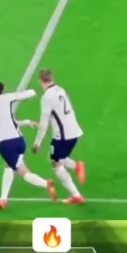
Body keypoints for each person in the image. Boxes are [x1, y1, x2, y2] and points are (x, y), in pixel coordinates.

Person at [0, 81, 56, 209]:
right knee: (8, 165)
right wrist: (27, 121)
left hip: (5, 145)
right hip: (18, 140)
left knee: (23, 172)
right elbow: (29, 94)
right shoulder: (7, 97)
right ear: (2, 91)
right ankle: (3, 199)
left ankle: (47, 184)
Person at [32, 69, 86, 203]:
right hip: (74, 132)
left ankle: (76, 195)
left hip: (62, 136)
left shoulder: (46, 98)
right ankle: (76, 166)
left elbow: (44, 123)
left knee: (56, 164)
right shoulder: (60, 90)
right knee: (59, 157)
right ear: (52, 79)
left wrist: (37, 142)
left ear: (40, 81)